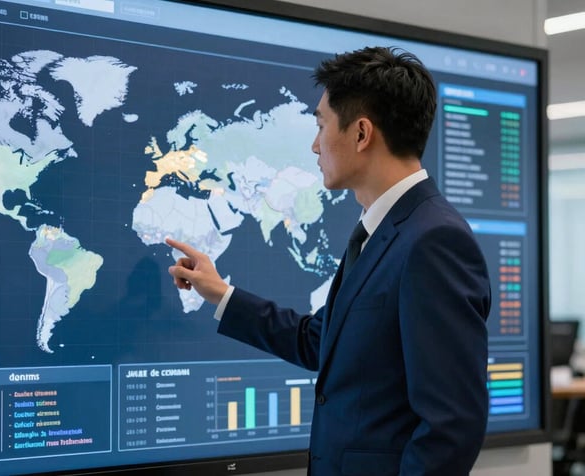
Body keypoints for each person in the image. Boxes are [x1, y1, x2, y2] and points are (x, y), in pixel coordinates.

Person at [166, 46, 491, 476]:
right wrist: (221, 294)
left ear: (361, 133)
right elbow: (321, 342)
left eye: (320, 125)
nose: (315, 144)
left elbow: (452, 426)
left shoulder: (433, 240)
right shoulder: (382, 231)